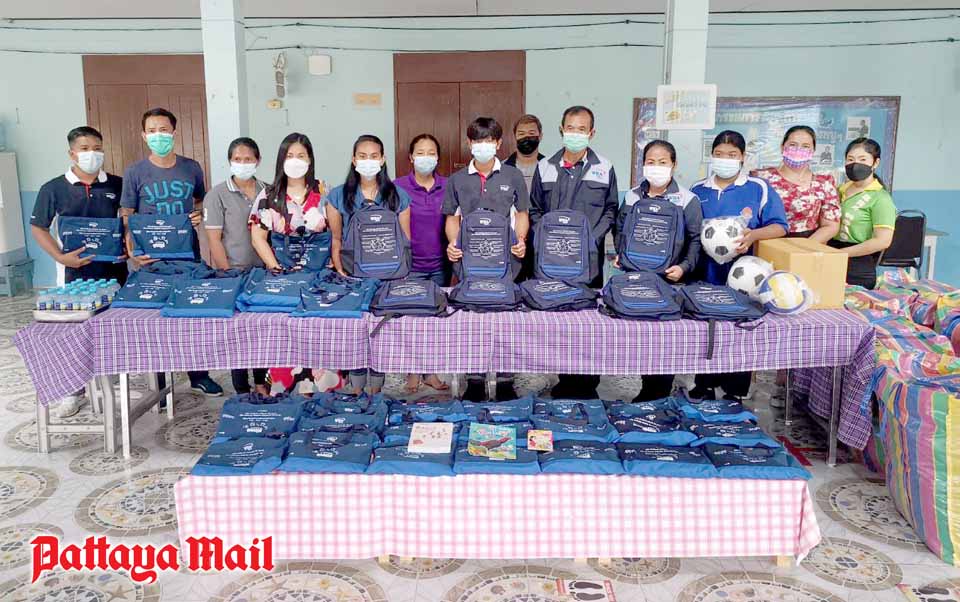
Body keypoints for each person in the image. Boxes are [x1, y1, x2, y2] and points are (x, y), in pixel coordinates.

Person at [120, 108, 222, 397]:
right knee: (154, 322)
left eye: (163, 130)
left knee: (190, 315)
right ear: (144, 136)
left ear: (174, 132)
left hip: (186, 254)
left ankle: (198, 375)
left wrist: (198, 214)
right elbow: (127, 213)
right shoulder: (135, 172)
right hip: (150, 257)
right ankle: (159, 384)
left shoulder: (191, 168)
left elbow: (201, 201)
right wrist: (131, 249)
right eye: (152, 131)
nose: (158, 136)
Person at [31, 126, 127, 418]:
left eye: (97, 148)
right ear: (71, 153)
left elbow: (128, 221)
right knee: (73, 333)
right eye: (85, 149)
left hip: (114, 270)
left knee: (113, 328)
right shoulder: (53, 188)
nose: (92, 154)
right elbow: (39, 227)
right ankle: (73, 392)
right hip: (74, 275)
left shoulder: (117, 184)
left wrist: (128, 247)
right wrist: (61, 257)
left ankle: (115, 382)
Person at [690, 130, 788, 401]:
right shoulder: (698, 190)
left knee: (741, 330)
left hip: (746, 277)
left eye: (732, 154)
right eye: (719, 154)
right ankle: (704, 383)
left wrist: (752, 236)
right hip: (707, 274)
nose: (725, 159)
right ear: (712, 156)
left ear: (743, 157)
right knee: (708, 329)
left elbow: (780, 226)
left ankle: (735, 389)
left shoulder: (758, 188)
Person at [529, 105, 618, 400]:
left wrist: (592, 238)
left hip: (588, 261)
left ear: (592, 132)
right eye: (571, 128)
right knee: (559, 323)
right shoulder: (545, 167)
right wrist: (545, 238)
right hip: (552, 261)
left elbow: (611, 210)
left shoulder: (604, 168)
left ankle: (587, 385)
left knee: (589, 324)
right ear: (561, 130)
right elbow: (534, 209)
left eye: (582, 129)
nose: (575, 133)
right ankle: (564, 381)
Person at [443, 116, 529, 402]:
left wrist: (520, 240)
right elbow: (452, 217)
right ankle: (474, 381)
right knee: (472, 322)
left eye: (489, 140)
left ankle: (505, 381)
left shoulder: (513, 176)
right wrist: (453, 244)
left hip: (505, 261)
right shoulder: (457, 180)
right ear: (469, 143)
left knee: (506, 322)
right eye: (478, 140)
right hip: (469, 262)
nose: (483, 146)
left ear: (499, 143)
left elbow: (522, 214)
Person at [249, 132, 335, 395]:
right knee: (284, 341)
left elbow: (336, 233)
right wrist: (276, 269)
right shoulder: (269, 195)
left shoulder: (324, 190)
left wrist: (333, 266)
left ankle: (320, 400)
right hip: (282, 281)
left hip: (318, 282)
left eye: (301, 155)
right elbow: (258, 237)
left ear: (310, 160)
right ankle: (284, 398)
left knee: (319, 340)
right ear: (281, 160)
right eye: (290, 155)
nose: (296, 160)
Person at [326, 134, 411, 395]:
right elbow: (336, 238)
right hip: (353, 276)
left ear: (383, 159)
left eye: (374, 156)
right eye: (362, 156)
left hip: (388, 277)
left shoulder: (397, 195)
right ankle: (355, 389)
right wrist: (340, 268)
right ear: (353, 160)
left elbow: (405, 240)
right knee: (354, 333)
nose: (368, 161)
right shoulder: (338, 195)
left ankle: (376, 391)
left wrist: (400, 275)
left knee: (379, 333)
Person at [619, 139, 702, 402]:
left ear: (674, 165)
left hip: (669, 280)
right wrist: (621, 255)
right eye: (650, 162)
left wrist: (684, 267)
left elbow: (696, 240)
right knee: (641, 340)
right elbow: (621, 230)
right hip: (635, 279)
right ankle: (646, 390)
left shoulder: (687, 200)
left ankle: (659, 395)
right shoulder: (632, 196)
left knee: (665, 341)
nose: (656, 167)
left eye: (662, 162)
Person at [203, 137, 268, 396]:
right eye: (237, 159)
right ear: (230, 162)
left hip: (264, 273)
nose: (242, 163)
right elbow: (214, 240)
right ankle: (241, 388)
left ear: (258, 161)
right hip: (234, 272)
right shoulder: (217, 195)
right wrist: (227, 273)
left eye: (248, 159)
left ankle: (262, 383)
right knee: (238, 333)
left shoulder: (269, 190)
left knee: (262, 332)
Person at [394, 133, 450, 393]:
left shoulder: (448, 186)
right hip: (410, 265)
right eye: (420, 152)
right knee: (412, 320)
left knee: (435, 320)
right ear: (411, 157)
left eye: (431, 153)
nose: (425, 157)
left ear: (437, 158)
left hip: (440, 264)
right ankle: (412, 373)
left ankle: (432, 372)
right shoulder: (398, 187)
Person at [751, 125, 840, 242]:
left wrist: (802, 248)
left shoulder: (824, 183)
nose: (798, 150)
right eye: (793, 145)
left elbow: (830, 226)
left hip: (807, 246)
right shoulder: (760, 178)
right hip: (765, 244)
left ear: (813, 151)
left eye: (805, 146)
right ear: (782, 147)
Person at [828, 137, 896, 290]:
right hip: (831, 257)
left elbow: (882, 241)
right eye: (850, 159)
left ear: (875, 163)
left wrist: (841, 254)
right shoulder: (840, 190)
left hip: (857, 266)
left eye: (862, 159)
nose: (855, 164)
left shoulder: (881, 198)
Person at [505, 114, 545, 280]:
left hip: (542, 237)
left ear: (540, 136)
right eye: (521, 134)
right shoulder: (503, 168)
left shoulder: (550, 167)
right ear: (514, 137)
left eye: (531, 133)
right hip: (512, 239)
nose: (526, 138)